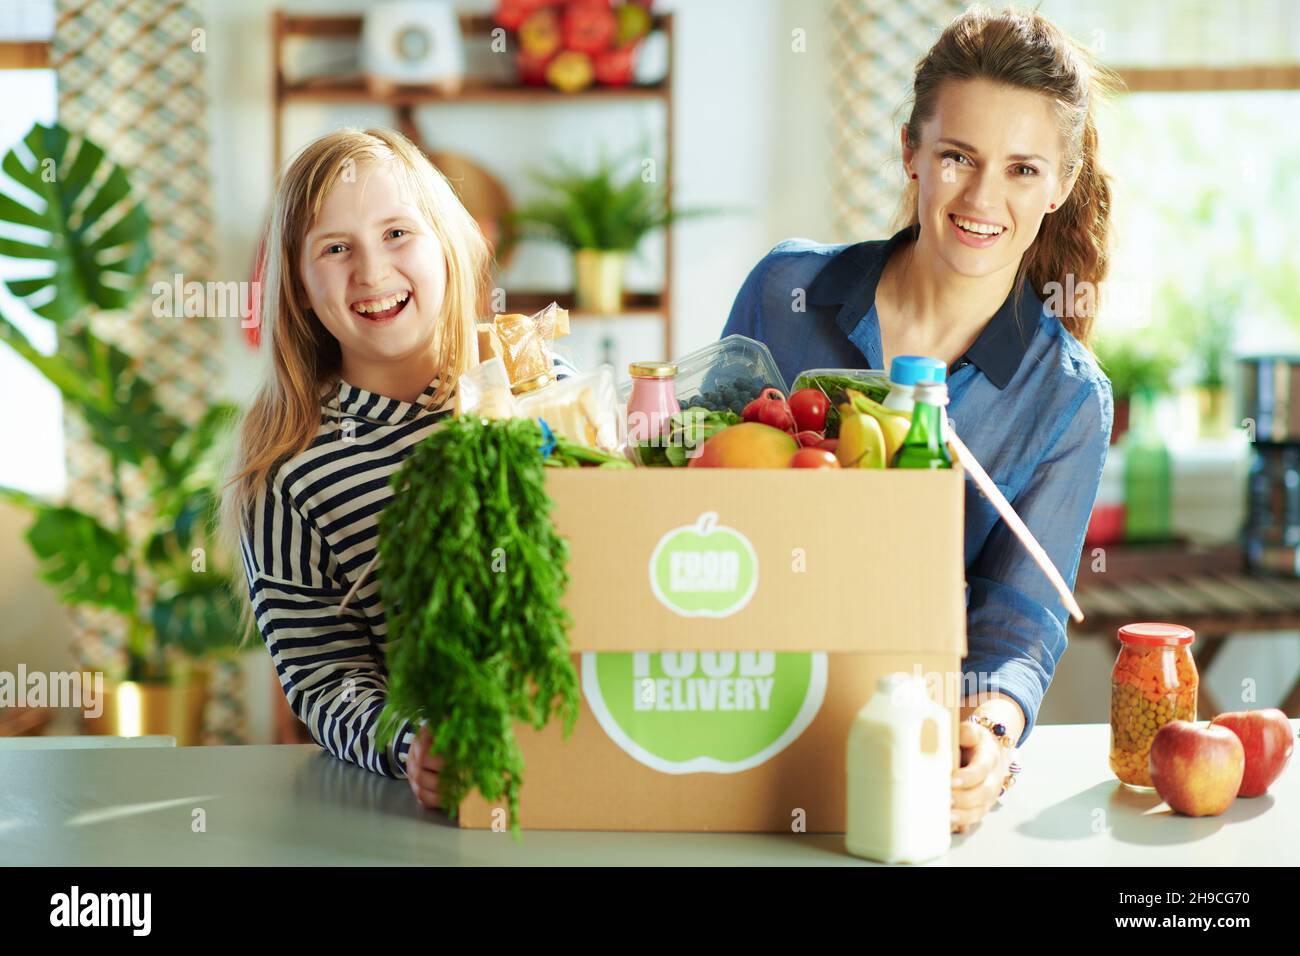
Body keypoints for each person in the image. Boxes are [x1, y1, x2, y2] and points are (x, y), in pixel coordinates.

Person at [722, 6, 1117, 833]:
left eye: (1021, 169)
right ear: (912, 152)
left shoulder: (1066, 398)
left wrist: (992, 729)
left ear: (1062, 184)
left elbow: (1019, 621)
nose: (982, 199)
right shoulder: (783, 293)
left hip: (902, 755)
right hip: (735, 713)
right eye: (957, 158)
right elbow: (692, 496)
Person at [219, 127, 573, 810]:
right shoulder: (289, 468)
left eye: (397, 234)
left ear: (449, 242)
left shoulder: (544, 390)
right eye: (334, 248)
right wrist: (410, 742)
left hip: (596, 751)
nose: (372, 272)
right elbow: (325, 677)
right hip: (447, 799)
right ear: (296, 283)